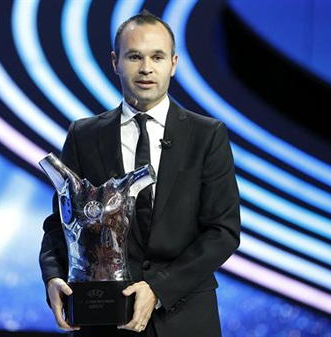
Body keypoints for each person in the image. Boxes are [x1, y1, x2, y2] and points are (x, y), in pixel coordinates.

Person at [39, 10, 240, 337]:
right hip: (102, 320)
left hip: (185, 319)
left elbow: (223, 231)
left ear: (173, 64)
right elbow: (60, 224)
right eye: (135, 56)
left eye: (157, 57)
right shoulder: (84, 135)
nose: (146, 68)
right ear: (115, 62)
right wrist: (52, 277)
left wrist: (159, 289)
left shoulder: (208, 135)